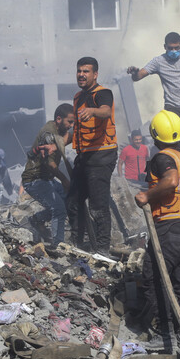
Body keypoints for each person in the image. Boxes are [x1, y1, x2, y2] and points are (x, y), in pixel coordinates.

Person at [135, 110, 180, 355]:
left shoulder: (162, 158)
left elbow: (171, 180)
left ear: (154, 135)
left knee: (155, 276)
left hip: (170, 224)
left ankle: (166, 336)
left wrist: (147, 195)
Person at [127, 32, 180, 173]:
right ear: (165, 47)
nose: (173, 51)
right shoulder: (158, 61)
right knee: (171, 143)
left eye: (176, 48)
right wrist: (134, 72)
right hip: (173, 109)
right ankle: (173, 172)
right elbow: (138, 76)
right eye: (170, 48)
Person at [67, 57, 118, 255]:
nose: (81, 74)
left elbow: (105, 112)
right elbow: (79, 130)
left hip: (102, 156)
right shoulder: (78, 97)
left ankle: (103, 249)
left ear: (95, 74)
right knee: (73, 201)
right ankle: (77, 243)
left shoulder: (103, 93)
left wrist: (93, 111)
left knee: (98, 205)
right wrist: (58, 145)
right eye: (79, 71)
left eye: (86, 71)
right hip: (84, 156)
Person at [21, 104, 75, 247]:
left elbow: (68, 138)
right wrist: (64, 180)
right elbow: (49, 164)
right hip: (34, 180)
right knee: (59, 209)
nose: (71, 125)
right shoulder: (48, 135)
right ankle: (58, 245)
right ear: (58, 119)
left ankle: (37, 219)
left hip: (47, 179)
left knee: (66, 201)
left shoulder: (58, 130)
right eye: (69, 122)